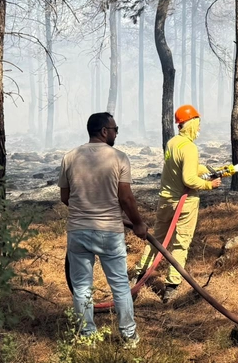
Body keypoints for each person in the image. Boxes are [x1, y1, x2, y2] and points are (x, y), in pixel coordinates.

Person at [58, 112, 148, 348]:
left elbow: (65, 197)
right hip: (109, 231)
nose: (117, 133)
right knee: (119, 285)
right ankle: (129, 337)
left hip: (78, 231)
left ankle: (88, 337)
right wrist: (138, 223)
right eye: (115, 129)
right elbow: (126, 198)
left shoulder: (69, 157)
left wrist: (85, 209)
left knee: (81, 287)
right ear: (104, 131)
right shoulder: (119, 158)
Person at [134, 104, 221, 303]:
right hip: (185, 203)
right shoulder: (190, 148)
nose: (199, 129)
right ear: (190, 124)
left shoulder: (173, 143)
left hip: (165, 200)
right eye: (197, 124)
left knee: (157, 240)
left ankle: (138, 276)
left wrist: (207, 169)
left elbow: (181, 166)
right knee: (180, 244)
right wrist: (210, 184)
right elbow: (189, 180)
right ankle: (171, 288)